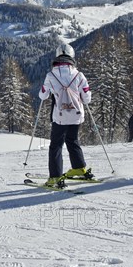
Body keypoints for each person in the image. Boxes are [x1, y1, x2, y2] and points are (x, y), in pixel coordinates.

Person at [38, 44, 92, 188]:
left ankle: (55, 177)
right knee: (72, 140)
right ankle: (79, 168)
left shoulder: (51, 75)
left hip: (60, 117)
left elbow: (43, 95)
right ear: (72, 57)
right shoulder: (79, 75)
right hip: (76, 115)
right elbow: (87, 98)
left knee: (56, 145)